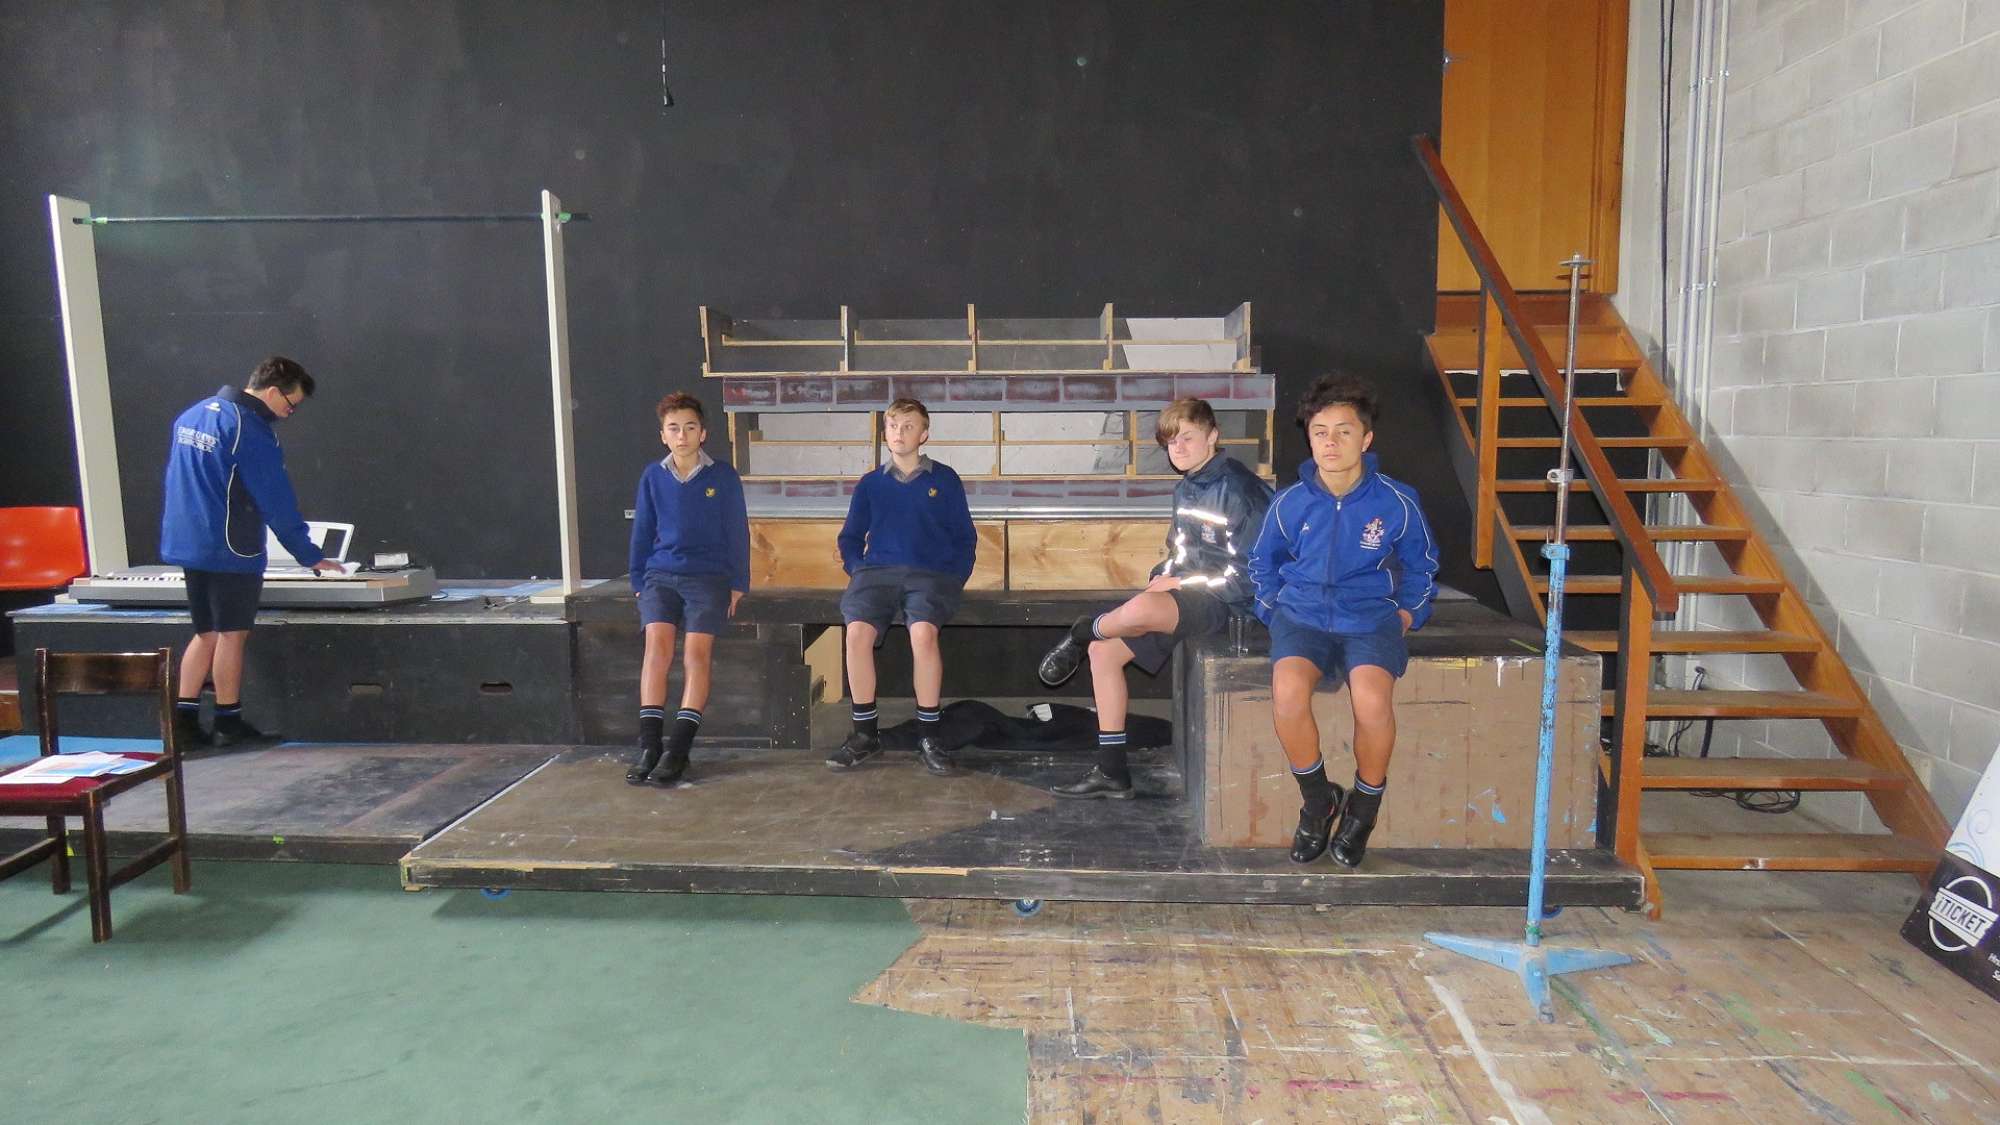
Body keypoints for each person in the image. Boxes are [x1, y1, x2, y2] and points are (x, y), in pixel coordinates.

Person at [1035, 398, 1272, 799]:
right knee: (1104, 653)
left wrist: (1180, 583)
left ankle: (1080, 632)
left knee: (1141, 609)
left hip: (1233, 606)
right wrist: (1162, 576)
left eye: (1187, 438)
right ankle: (1112, 772)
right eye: (1170, 442)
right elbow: (1179, 552)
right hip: (1194, 597)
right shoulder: (1187, 488)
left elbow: (1251, 577)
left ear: (1213, 436)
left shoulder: (1241, 490)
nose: (1178, 448)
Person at [1249, 374, 1438, 868]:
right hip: (1302, 618)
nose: (1330, 442)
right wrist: (1271, 609)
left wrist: (1408, 613)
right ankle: (1318, 801)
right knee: (1287, 694)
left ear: (1366, 439)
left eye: (1343, 431)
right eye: (1320, 432)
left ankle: (1363, 809)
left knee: (1372, 702)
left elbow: (1422, 565)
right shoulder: (1290, 501)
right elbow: (1262, 562)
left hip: (1370, 619)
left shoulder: (1396, 500)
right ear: (1309, 439)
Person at [161, 356, 341, 749]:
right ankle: (228, 722)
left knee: (206, 633)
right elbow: (275, 498)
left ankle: (182, 725)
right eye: (290, 404)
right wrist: (308, 554)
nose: (289, 414)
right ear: (273, 392)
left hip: (188, 542)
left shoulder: (192, 415)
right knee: (232, 635)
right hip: (231, 547)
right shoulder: (250, 429)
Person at [823, 398, 976, 777]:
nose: (899, 433)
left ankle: (929, 736)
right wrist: (858, 569)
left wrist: (954, 578)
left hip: (929, 575)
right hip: (875, 574)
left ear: (924, 434)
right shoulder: (871, 484)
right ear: (884, 433)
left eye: (909, 426)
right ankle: (865, 734)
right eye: (893, 426)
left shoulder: (944, 479)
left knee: (923, 635)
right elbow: (850, 537)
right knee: (856, 634)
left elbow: (965, 538)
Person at [625, 392, 751, 786]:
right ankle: (650, 747)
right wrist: (638, 581)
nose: (682, 436)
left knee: (696, 654)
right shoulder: (653, 476)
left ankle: (677, 749)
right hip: (660, 576)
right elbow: (643, 531)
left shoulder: (722, 476)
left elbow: (737, 530)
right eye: (674, 429)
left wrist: (738, 583)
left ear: (703, 433)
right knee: (657, 650)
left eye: (690, 427)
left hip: (708, 578)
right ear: (663, 435)